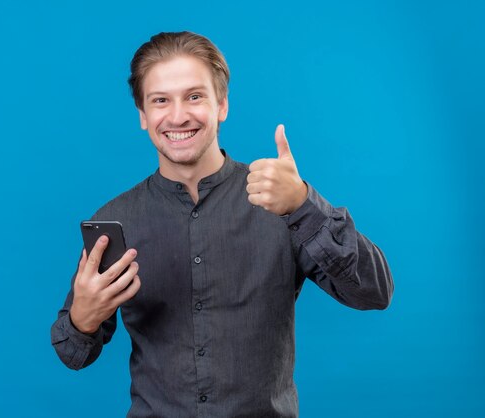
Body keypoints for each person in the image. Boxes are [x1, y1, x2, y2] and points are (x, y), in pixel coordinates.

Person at [51, 31, 394, 417]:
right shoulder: (115, 221)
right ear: (143, 117)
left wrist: (303, 204)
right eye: (161, 100)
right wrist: (83, 317)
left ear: (222, 105)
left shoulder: (281, 201)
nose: (178, 115)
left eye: (194, 96)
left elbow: (374, 293)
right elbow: (71, 354)